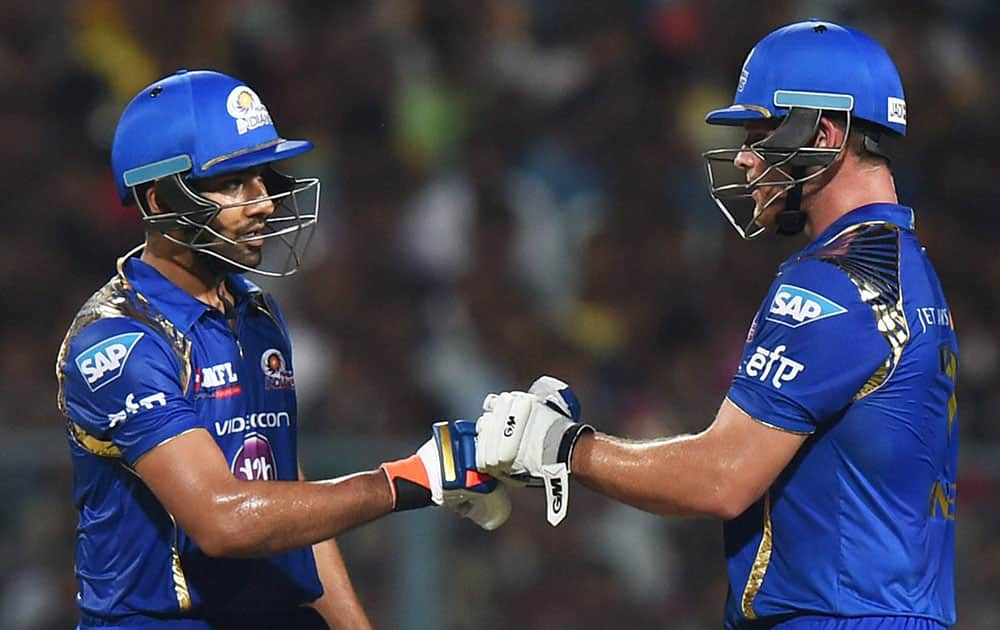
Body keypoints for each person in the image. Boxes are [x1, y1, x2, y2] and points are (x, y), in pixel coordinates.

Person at [474, 20, 958, 630]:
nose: (746, 157)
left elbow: (721, 477)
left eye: (761, 133)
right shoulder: (906, 265)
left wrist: (565, 447)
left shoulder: (834, 282)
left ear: (827, 134)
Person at [55, 69, 510, 630]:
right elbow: (223, 520)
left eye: (261, 178)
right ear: (158, 198)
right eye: (232, 183)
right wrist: (408, 480)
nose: (264, 202)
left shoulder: (256, 313)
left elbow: (286, 500)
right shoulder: (118, 342)